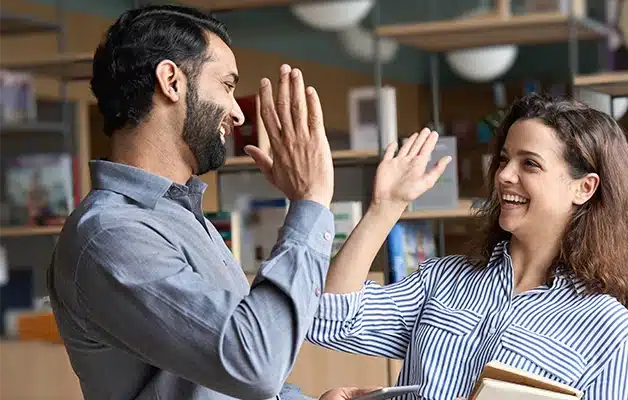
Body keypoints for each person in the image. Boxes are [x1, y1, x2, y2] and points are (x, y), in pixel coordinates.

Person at [45, 4, 449, 400]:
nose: (238, 113)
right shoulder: (112, 235)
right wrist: (310, 201)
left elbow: (222, 381)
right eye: (227, 85)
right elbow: (254, 364)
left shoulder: (180, 217)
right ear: (171, 81)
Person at [306, 93, 628, 400]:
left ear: (584, 187)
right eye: (504, 159)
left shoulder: (612, 334)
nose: (504, 175)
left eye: (530, 164)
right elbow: (329, 320)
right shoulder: (442, 280)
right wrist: (385, 208)